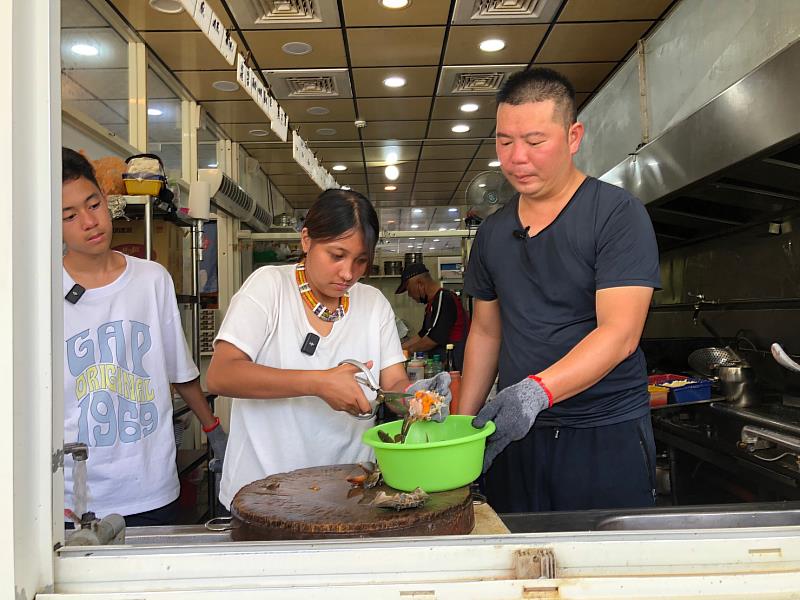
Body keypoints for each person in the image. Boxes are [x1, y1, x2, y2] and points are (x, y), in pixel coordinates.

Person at [461, 68, 661, 513]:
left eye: (534, 142)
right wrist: (461, 426)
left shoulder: (616, 215)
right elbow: (487, 334)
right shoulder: (492, 234)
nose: (516, 158)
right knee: (517, 563)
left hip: (604, 434)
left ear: (573, 136)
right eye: (504, 141)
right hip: (517, 436)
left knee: (602, 572)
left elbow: (620, 334)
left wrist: (536, 391)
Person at [206, 189, 450, 509]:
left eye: (361, 260)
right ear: (306, 240)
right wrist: (319, 382)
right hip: (263, 493)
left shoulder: (373, 304)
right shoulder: (269, 288)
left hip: (347, 492)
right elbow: (221, 374)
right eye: (337, 255)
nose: (348, 273)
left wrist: (418, 399)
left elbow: (392, 384)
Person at [61, 147, 227, 526]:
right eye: (69, 216)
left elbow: (179, 370)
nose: (89, 222)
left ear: (107, 201)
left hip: (151, 485)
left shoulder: (152, 279)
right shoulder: (41, 293)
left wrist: (213, 429)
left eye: (93, 204)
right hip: (74, 494)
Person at [395, 262, 470, 371]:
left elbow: (433, 339)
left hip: (455, 363)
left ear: (420, 284)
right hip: (442, 364)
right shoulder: (432, 303)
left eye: (409, 290)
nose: (410, 295)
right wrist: (398, 349)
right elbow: (423, 334)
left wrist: (405, 352)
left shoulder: (443, 298)